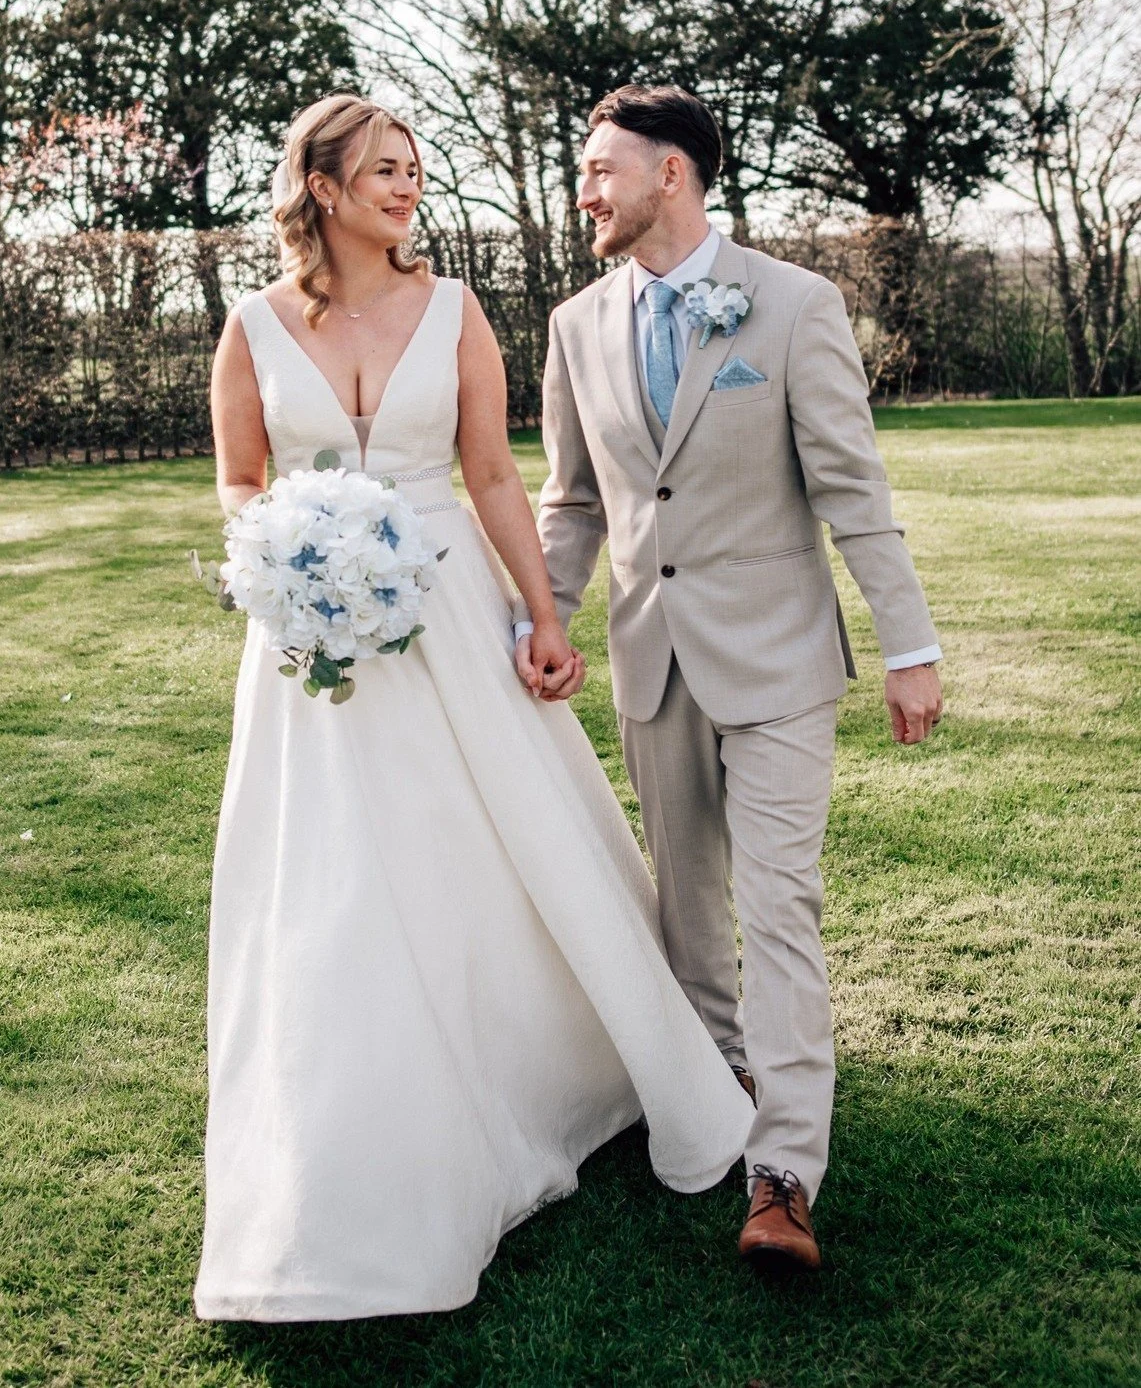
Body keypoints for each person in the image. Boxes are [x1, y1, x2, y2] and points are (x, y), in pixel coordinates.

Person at [194, 93, 754, 1322]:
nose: (408, 186)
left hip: (444, 605)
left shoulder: (455, 310)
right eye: (383, 169)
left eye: (415, 169)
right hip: (308, 641)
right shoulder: (250, 325)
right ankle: (357, 1142)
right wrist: (282, 545)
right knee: (335, 873)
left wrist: (542, 615)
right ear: (324, 186)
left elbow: (494, 471)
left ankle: (555, 1072)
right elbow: (241, 477)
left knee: (489, 844)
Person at [519, 83, 944, 1271]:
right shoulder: (572, 326)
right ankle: (716, 1102)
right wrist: (537, 621)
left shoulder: (796, 304)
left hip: (780, 660)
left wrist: (910, 646)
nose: (584, 189)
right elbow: (573, 502)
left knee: (779, 907)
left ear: (673, 173)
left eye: (602, 167)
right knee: (687, 918)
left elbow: (854, 490)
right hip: (649, 657)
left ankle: (784, 1172)